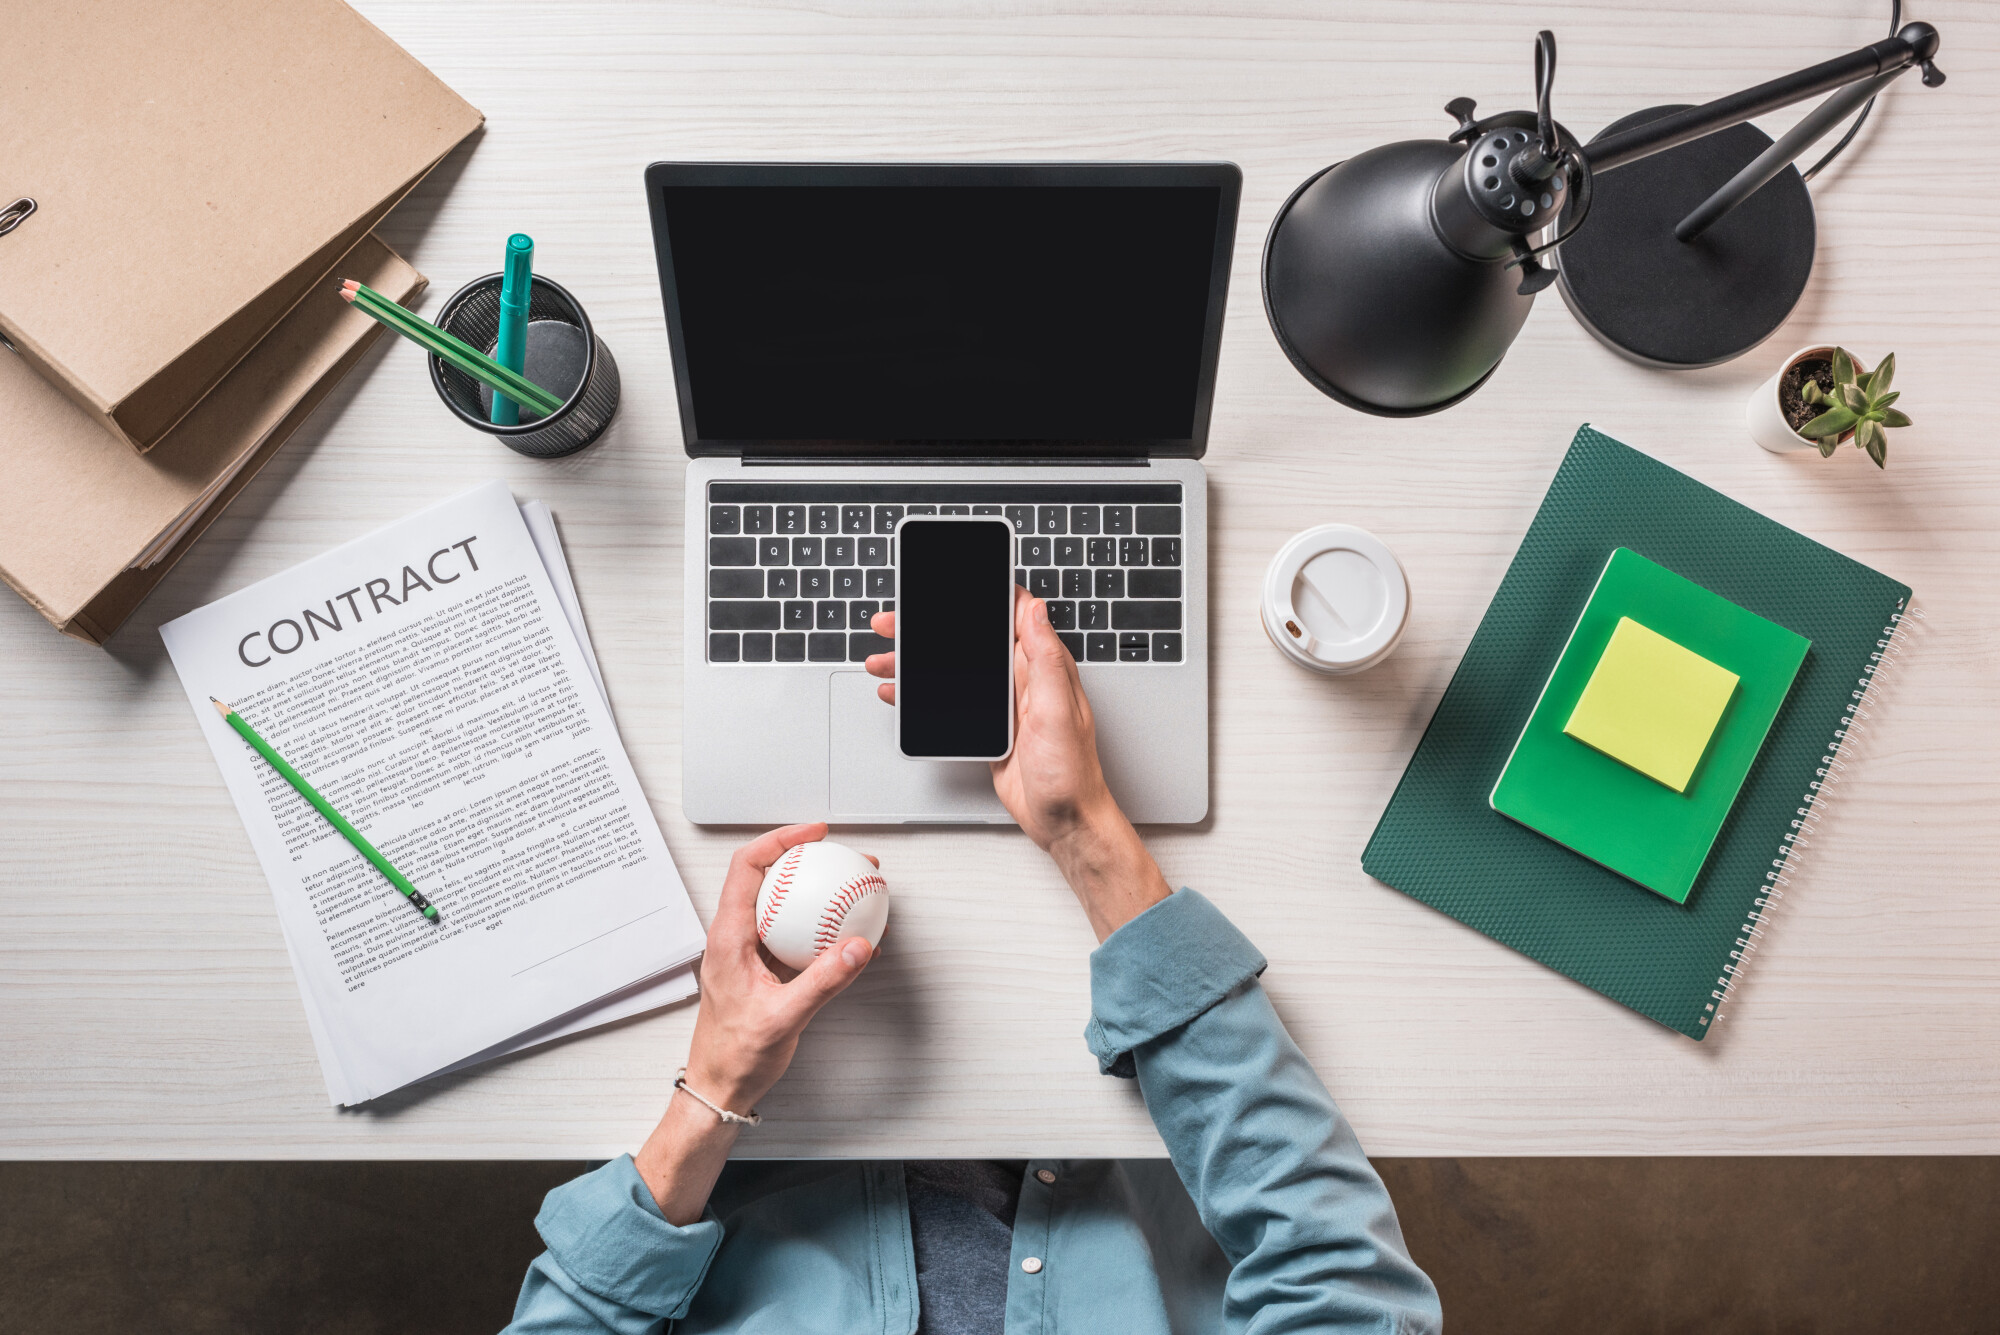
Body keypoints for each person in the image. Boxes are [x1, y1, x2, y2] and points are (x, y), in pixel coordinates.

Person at [505, 593, 1442, 1335]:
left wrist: (710, 1088)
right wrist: (1091, 840)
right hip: (1129, 1148)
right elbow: (1337, 1282)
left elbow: (574, 1316)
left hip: (776, 1136)